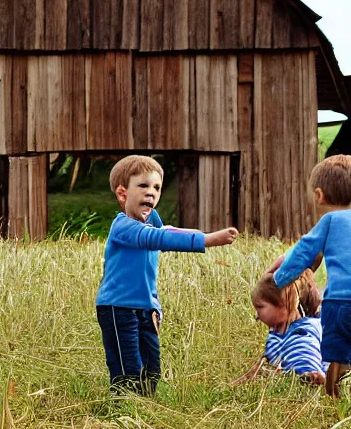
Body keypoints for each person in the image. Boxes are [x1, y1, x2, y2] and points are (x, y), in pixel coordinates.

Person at [96, 155, 238, 395]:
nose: (151, 192)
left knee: (152, 370)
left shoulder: (152, 222)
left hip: (145, 309)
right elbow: (159, 238)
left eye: (157, 187)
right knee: (128, 370)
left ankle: (145, 410)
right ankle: (123, 412)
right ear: (123, 193)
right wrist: (208, 240)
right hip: (117, 308)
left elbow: (169, 231)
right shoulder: (123, 227)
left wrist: (155, 308)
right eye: (143, 186)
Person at [271, 155, 351, 397]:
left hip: (338, 303)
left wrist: (280, 279)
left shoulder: (329, 221)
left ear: (319, 195)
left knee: (335, 352)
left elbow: (303, 252)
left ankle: (333, 395)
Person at [231, 269, 326, 387]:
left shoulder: (302, 332)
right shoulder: (276, 333)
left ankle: (310, 380)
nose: (257, 315)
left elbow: (306, 355)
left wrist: (311, 374)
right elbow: (264, 365)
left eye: (260, 307)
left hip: (306, 378)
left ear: (283, 305)